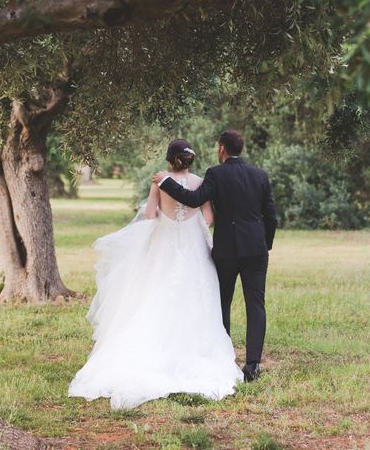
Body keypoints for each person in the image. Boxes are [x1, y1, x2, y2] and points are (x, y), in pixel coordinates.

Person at [68, 139, 243, 409]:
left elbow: (150, 215)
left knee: (158, 294)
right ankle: (196, 354)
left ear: (170, 159)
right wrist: (191, 218)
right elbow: (208, 219)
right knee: (197, 296)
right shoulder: (200, 182)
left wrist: (166, 212)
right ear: (190, 160)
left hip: (166, 245)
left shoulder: (159, 182)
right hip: (194, 246)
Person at [153, 130, 277, 382]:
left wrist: (165, 181)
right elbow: (271, 215)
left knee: (221, 303)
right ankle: (252, 364)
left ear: (222, 149)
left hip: (227, 251)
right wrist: (266, 244)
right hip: (256, 250)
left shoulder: (215, 174)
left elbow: (193, 198)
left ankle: (224, 356)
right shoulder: (260, 175)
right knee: (256, 304)